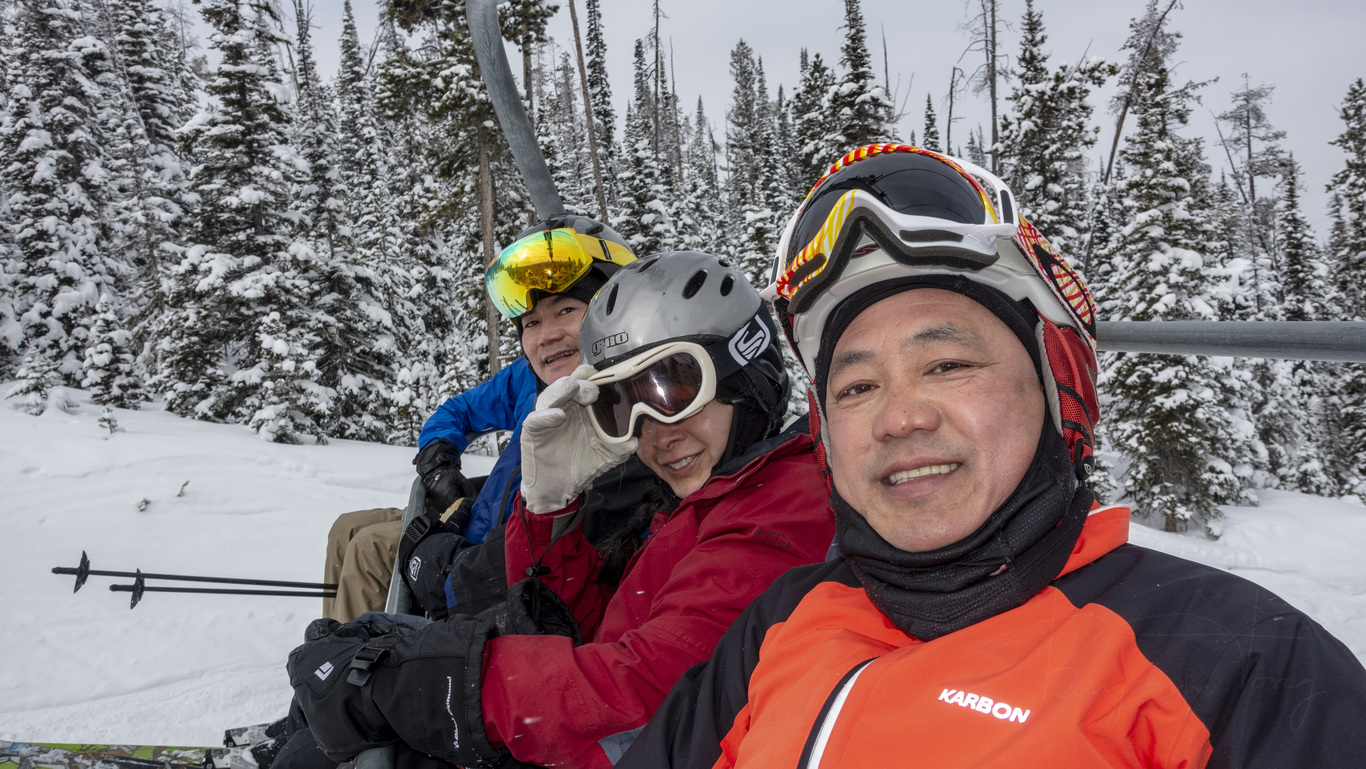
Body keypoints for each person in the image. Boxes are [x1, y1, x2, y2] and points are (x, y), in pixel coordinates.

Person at [616, 145, 1366, 768]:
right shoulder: (784, 619)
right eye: (857, 387)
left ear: (1055, 387)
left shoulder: (1237, 664)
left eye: (948, 365)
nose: (899, 419)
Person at [285, 251, 838, 769]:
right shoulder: (706, 498)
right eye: (622, 407)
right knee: (366, 651)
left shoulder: (780, 509)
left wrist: (437, 686)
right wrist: (552, 510)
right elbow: (581, 627)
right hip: (578, 733)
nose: (655, 435)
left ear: (745, 372)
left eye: (671, 389)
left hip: (601, 744)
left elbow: (643, 686)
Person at [323, 214, 651, 623]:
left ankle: (349, 655)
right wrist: (439, 457)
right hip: (475, 525)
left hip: (487, 560)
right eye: (531, 322)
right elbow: (459, 410)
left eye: (566, 309)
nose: (546, 335)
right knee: (346, 528)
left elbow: (540, 558)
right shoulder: (530, 379)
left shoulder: (625, 418)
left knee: (369, 549)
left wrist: (442, 557)